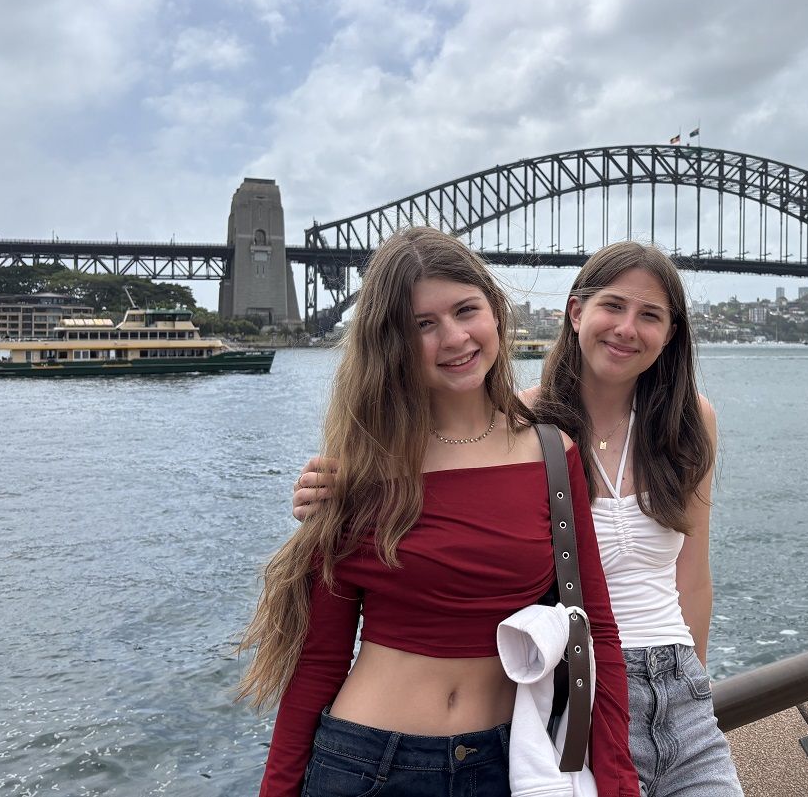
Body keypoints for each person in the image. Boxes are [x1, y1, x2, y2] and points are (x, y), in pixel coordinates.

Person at [294, 242, 744, 796]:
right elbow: (439, 464)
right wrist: (331, 491)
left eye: (650, 315)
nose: (627, 328)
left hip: (670, 693)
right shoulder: (518, 427)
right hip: (566, 690)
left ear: (671, 332)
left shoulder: (683, 423)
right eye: (612, 306)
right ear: (575, 312)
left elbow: (690, 579)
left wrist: (696, 684)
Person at [241, 227, 639, 797]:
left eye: (465, 310)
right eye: (422, 324)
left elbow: (595, 628)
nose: (453, 337)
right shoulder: (360, 469)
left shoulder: (554, 456)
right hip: (366, 764)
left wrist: (619, 783)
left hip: (506, 766)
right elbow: (320, 659)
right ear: (392, 344)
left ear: (495, 312)